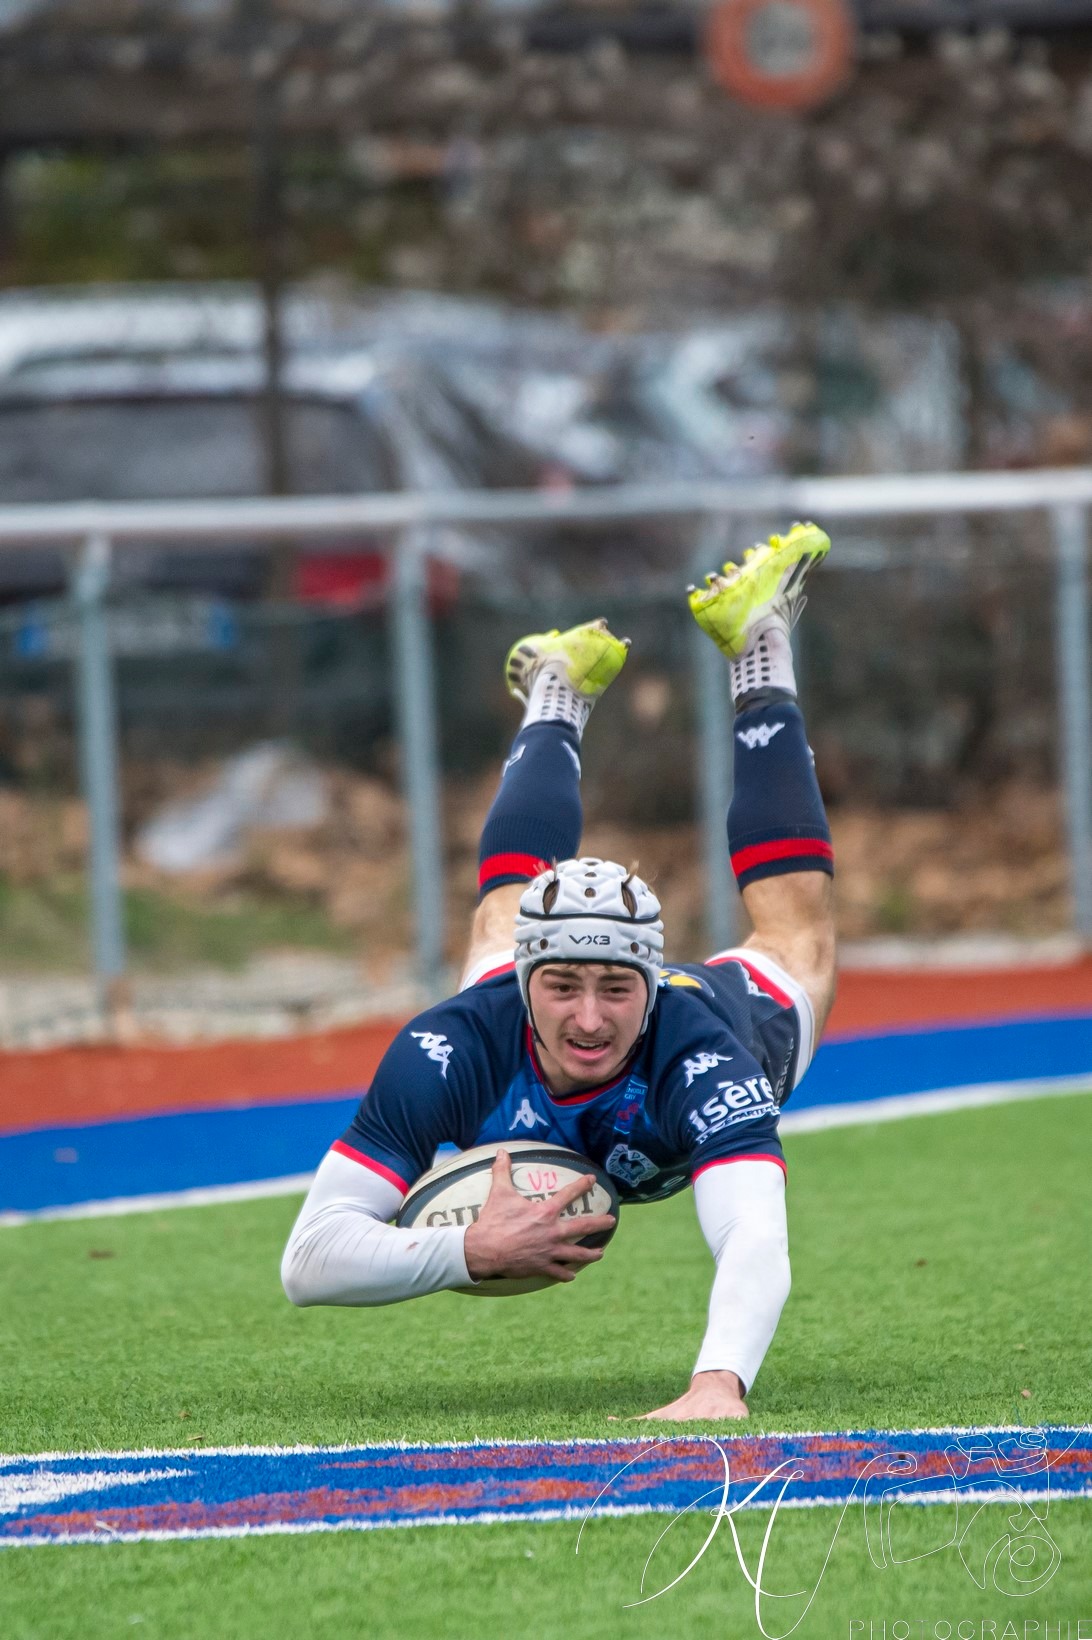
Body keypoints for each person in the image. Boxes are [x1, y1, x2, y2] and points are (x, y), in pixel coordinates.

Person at [281, 523, 837, 1421]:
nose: (588, 1016)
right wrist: (466, 1253)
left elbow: (752, 1232)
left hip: (729, 1016)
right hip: (509, 1005)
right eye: (563, 985)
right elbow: (308, 1263)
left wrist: (716, 1384)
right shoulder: (455, 1042)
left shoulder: (703, 1055)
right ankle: (557, 692)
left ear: (651, 983)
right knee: (500, 920)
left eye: (618, 987)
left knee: (799, 941)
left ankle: (760, 647)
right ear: (526, 986)